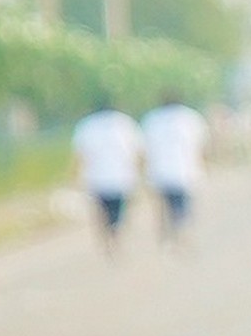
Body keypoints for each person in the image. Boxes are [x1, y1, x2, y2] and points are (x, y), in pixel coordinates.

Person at [71, 105, 142, 252]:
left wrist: (74, 176)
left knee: (102, 213)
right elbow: (137, 152)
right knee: (118, 213)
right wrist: (138, 173)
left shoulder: (87, 125)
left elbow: (80, 155)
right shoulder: (124, 123)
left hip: (97, 179)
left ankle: (107, 238)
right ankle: (115, 236)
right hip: (121, 179)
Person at [140, 98, 208, 244]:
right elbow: (202, 145)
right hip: (186, 172)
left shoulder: (153, 119)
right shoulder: (190, 118)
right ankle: (182, 236)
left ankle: (168, 237)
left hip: (160, 173)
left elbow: (144, 150)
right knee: (183, 208)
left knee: (164, 208)